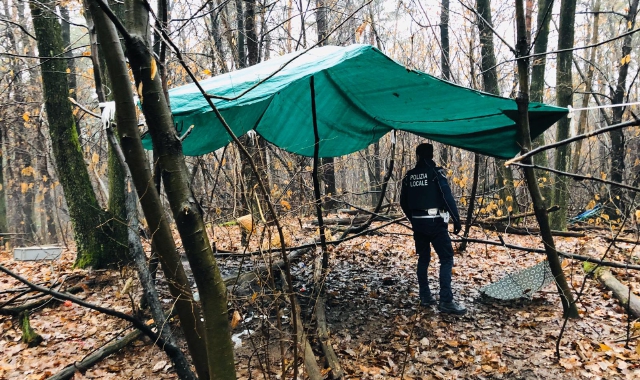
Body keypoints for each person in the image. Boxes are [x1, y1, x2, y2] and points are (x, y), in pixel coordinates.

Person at [400, 143, 466, 315]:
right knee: (446, 257)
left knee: (424, 258)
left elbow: (403, 202)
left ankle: (425, 296)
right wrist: (456, 219)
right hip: (436, 223)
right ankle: (446, 301)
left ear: (417, 156)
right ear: (431, 155)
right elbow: (446, 196)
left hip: (418, 223)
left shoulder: (409, 176)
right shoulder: (436, 173)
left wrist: (413, 218)